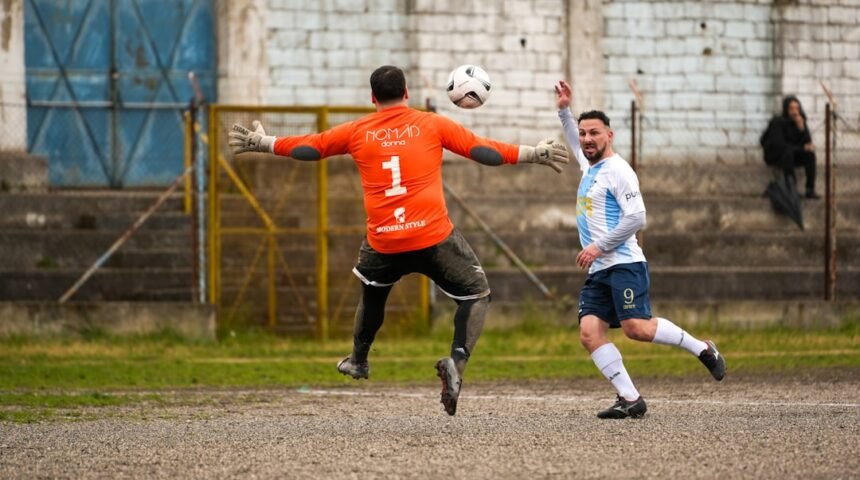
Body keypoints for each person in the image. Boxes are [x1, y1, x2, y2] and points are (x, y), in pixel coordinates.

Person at [229, 65, 570, 416]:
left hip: (385, 242)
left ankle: (359, 360)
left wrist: (264, 143)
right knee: (476, 294)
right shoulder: (430, 123)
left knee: (373, 292)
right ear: (406, 93)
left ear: (373, 97)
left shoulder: (356, 130)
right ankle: (457, 361)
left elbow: (312, 147)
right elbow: (480, 150)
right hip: (432, 236)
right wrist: (533, 153)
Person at [554, 80, 726, 419]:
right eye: (585, 133)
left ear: (610, 135)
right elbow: (573, 137)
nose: (587, 139)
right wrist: (563, 110)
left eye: (595, 133)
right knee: (589, 333)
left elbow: (638, 217)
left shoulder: (619, 171)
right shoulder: (588, 163)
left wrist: (597, 247)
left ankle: (702, 348)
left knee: (637, 328)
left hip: (624, 264)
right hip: (599, 269)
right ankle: (630, 398)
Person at [761, 95, 819, 199]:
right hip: (776, 155)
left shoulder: (800, 121)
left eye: (797, 108)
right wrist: (801, 148)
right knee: (788, 153)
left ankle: (810, 190)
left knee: (810, 155)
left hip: (793, 153)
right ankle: (791, 189)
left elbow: (807, 143)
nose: (795, 112)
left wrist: (801, 129)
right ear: (786, 109)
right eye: (791, 108)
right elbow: (779, 145)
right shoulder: (778, 122)